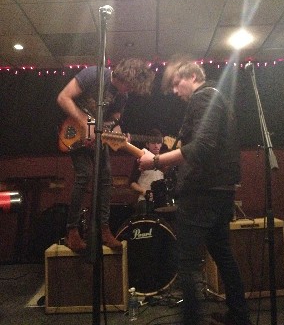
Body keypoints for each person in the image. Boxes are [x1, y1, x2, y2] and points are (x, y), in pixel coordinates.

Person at [138, 56, 252, 325]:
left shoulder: (203, 98)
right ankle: (239, 315)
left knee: (186, 261)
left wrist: (155, 161)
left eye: (177, 84)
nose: (176, 92)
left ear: (192, 76)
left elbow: (201, 147)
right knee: (222, 253)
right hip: (221, 190)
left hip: (202, 192)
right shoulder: (219, 98)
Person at [57, 58, 154, 252]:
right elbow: (63, 98)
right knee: (84, 175)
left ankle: (103, 229)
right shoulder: (94, 74)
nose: (129, 91)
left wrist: (117, 129)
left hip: (98, 139)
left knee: (106, 181)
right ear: (126, 76)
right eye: (130, 86)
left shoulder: (122, 96)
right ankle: (72, 231)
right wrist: (85, 122)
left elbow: (113, 120)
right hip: (74, 132)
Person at [129, 129, 164, 214]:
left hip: (160, 202)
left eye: (158, 143)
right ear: (147, 144)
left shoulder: (163, 160)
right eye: (153, 143)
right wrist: (144, 192)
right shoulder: (141, 158)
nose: (156, 145)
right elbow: (131, 183)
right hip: (144, 201)